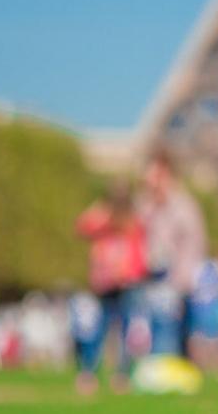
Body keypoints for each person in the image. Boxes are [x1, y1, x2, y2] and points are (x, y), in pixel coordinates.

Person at [74, 180, 148, 393]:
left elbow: (139, 255)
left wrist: (130, 273)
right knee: (99, 328)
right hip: (105, 284)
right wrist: (99, 209)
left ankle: (122, 374)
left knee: (126, 329)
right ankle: (89, 371)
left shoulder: (133, 222)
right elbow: (82, 226)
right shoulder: (103, 221)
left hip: (127, 283)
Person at [139, 148, 206, 356]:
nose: (147, 180)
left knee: (169, 337)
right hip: (149, 279)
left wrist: (184, 279)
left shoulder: (183, 205)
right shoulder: (144, 205)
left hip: (176, 280)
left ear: (165, 174)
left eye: (152, 174)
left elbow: (194, 245)